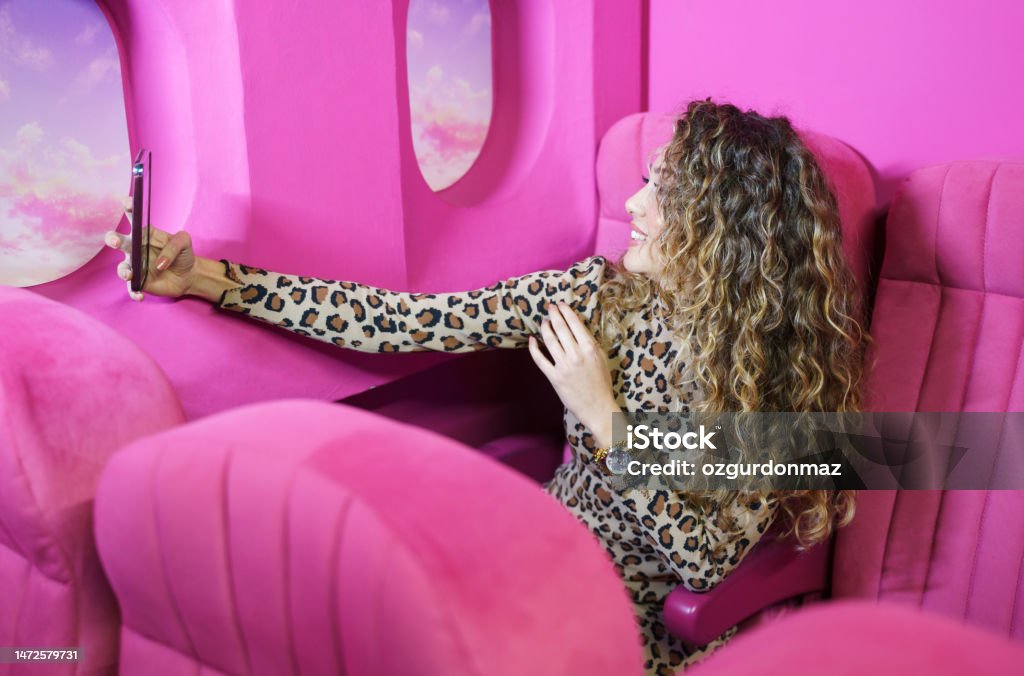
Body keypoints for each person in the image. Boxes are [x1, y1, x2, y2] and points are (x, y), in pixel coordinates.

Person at [104, 99, 868, 674]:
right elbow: (400, 321)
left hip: (639, 620)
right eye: (643, 183)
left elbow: (703, 564)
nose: (632, 208)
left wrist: (603, 416)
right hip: (543, 550)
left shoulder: (768, 381)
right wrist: (204, 278)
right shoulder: (597, 298)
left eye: (663, 195)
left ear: (720, 233)